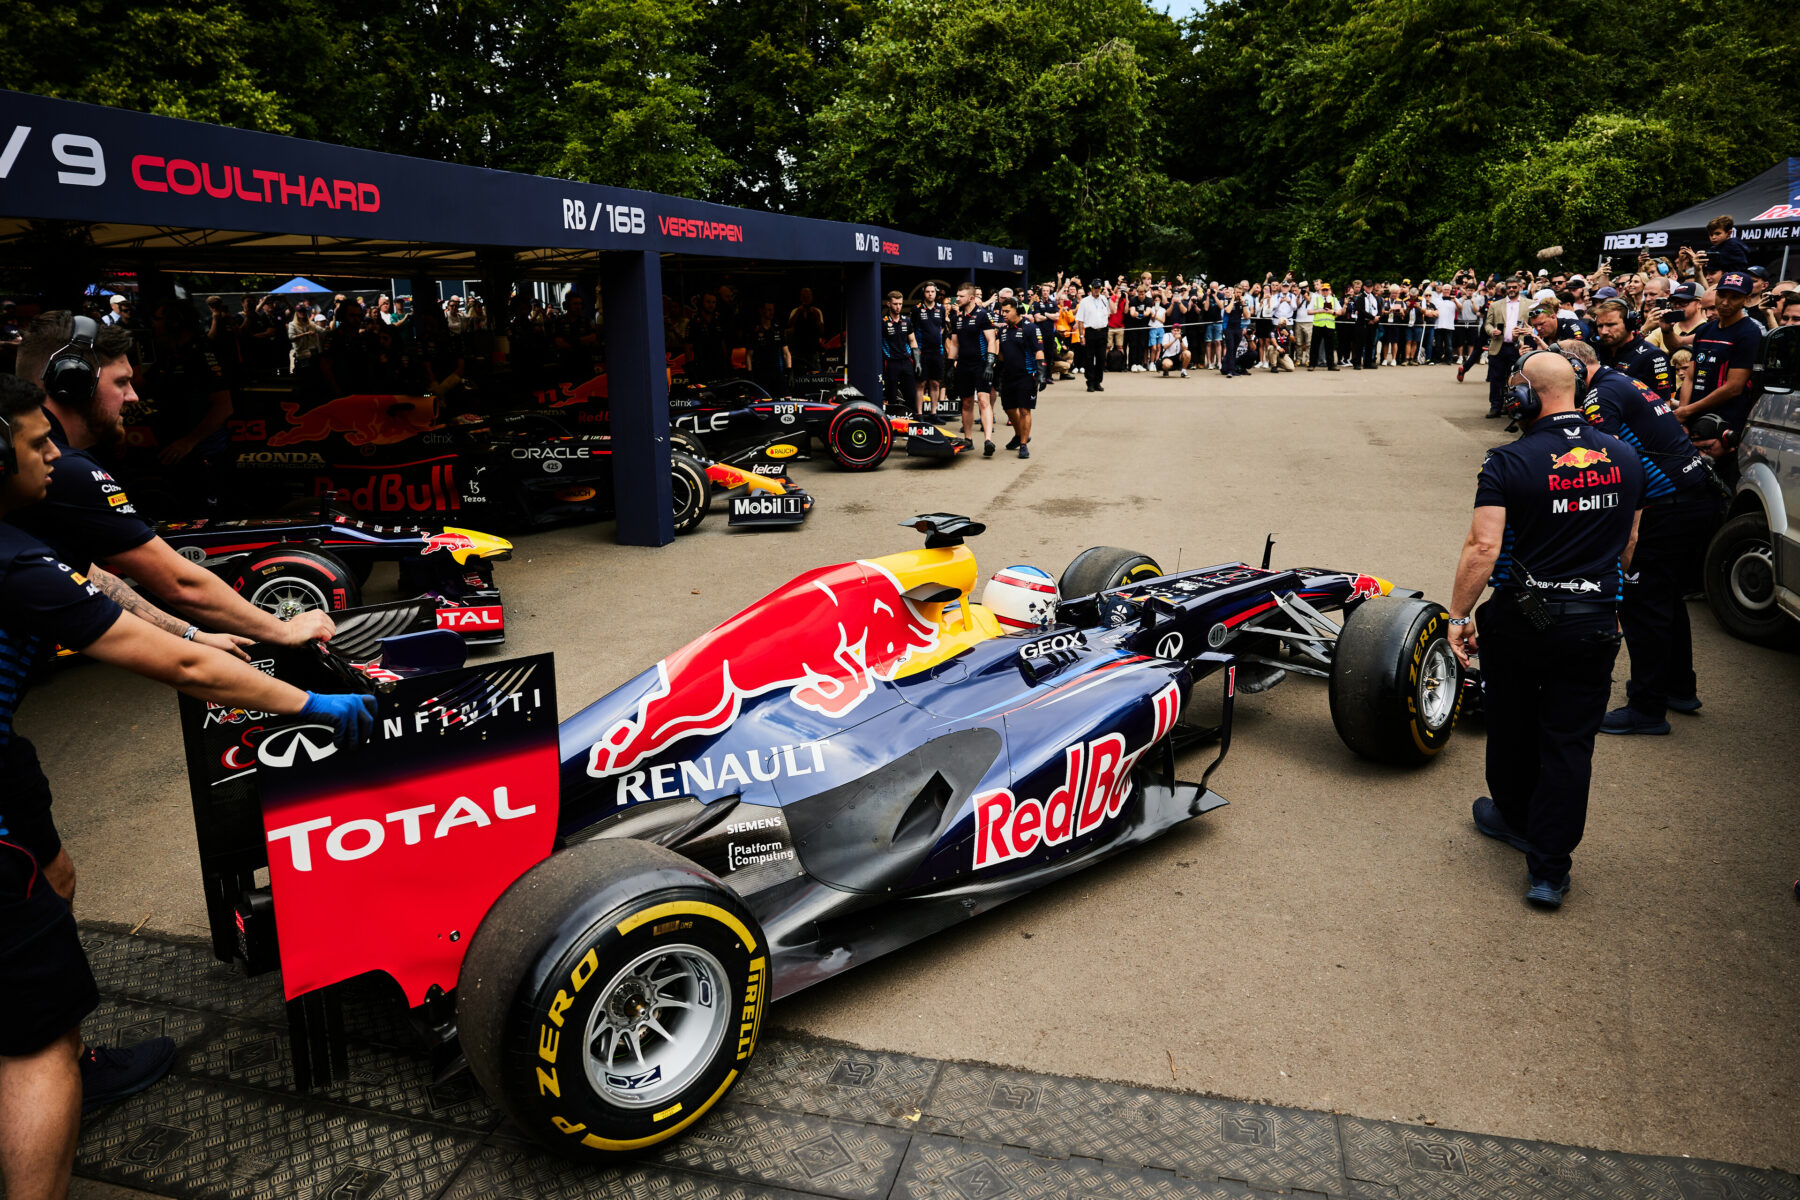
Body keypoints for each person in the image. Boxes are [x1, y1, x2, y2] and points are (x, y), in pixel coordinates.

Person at [0, 374, 377, 1200]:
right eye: (35, 443)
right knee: (36, 1043)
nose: (53, 454)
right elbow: (177, 665)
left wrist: (196, 632)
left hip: (6, 762)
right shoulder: (11, 558)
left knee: (55, 877)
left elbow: (95, 585)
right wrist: (307, 703)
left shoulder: (22, 544)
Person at [1447, 350, 1646, 909]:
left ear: (1526, 396)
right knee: (1569, 742)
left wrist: (1459, 617)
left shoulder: (1507, 461)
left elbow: (1483, 547)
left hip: (1522, 619)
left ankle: (1515, 818)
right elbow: (1630, 542)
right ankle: (1550, 871)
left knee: (1512, 722)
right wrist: (1604, 594)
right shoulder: (1626, 455)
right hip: (1593, 621)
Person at [1557, 339, 1723, 737]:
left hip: (1667, 507)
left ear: (1574, 368)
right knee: (1666, 599)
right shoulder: (1622, 381)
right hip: (1694, 498)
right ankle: (1678, 688)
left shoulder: (1600, 395)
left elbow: (1609, 463)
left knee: (1643, 606)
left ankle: (1647, 708)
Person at [1664, 271, 1763, 447]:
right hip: (1693, 417)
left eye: (1734, 297)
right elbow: (1690, 376)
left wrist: (1687, 410)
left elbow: (1734, 387)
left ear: (1746, 299)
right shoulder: (1705, 330)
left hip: (1724, 422)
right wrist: (1684, 415)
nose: (1725, 302)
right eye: (1722, 295)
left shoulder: (1749, 333)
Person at [946, 282, 998, 454]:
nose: (957, 299)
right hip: (963, 365)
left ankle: (988, 440)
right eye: (957, 295)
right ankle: (968, 439)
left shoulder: (982, 315)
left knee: (983, 399)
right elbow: (954, 344)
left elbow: (991, 340)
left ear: (971, 298)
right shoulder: (957, 319)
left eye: (961, 296)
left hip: (981, 364)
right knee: (966, 402)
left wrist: (989, 363)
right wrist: (949, 367)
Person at [1592, 299, 1673, 402]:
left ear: (1629, 324)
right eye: (1600, 326)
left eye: (1611, 325)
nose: (1604, 331)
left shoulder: (1652, 356)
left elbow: (1664, 404)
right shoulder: (1596, 351)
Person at [994, 299, 1043, 459]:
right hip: (1008, 376)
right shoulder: (1003, 331)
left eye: (1007, 311)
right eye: (1002, 311)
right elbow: (1001, 356)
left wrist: (1042, 373)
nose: (1003, 314)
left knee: (1024, 410)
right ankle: (1019, 435)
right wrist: (994, 371)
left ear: (1017, 310)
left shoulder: (1030, 328)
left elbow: (1038, 351)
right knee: (1008, 408)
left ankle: (1023, 445)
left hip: (1027, 375)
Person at [1481, 279, 1528, 415]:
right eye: (1509, 287)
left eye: (1514, 287)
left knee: (1515, 379)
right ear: (1505, 289)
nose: (1511, 289)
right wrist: (1492, 331)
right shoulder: (1495, 305)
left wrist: (1526, 333)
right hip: (1499, 346)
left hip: (1518, 347)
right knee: (1496, 378)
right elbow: (1487, 324)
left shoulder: (1529, 304)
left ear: (1520, 287)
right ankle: (1495, 407)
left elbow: (1533, 325)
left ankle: (1512, 407)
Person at [879, 291, 919, 415]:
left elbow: (912, 341)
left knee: (911, 393)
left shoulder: (906, 321)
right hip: (891, 362)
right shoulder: (883, 322)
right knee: (891, 394)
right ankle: (892, 419)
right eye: (895, 304)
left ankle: (912, 418)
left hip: (906, 361)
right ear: (888, 304)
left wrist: (917, 362)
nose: (898, 307)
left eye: (900, 304)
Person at [913, 284, 949, 412]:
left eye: (932, 291)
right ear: (924, 293)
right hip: (922, 352)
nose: (930, 294)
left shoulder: (941, 308)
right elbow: (912, 331)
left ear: (936, 293)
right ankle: (919, 413)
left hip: (937, 352)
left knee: (935, 383)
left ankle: (934, 413)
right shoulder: (917, 309)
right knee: (921, 383)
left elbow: (942, 327)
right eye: (927, 291)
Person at [745, 301, 789, 394]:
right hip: (760, 374)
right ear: (761, 311)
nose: (771, 312)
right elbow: (749, 355)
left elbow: (786, 353)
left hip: (778, 373)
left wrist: (789, 371)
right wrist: (749, 374)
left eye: (772, 310)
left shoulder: (778, 328)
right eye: (768, 309)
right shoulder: (755, 330)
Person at [1076, 281, 1111, 393]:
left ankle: (1098, 382)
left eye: (1098, 288)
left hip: (1102, 331)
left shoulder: (1104, 299)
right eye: (1095, 288)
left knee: (1101, 358)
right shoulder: (1085, 301)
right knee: (1089, 358)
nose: (1097, 290)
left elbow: (1110, 313)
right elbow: (1080, 320)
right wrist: (1082, 336)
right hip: (1090, 331)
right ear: (1091, 288)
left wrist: (1109, 297)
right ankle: (1090, 382)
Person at [1702, 215, 1750, 286]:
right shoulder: (1715, 248)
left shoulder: (1732, 246)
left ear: (1729, 233)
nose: (1713, 237)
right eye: (1711, 234)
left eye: (1717, 233)